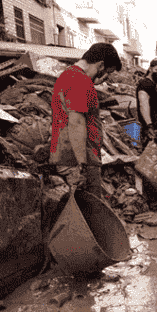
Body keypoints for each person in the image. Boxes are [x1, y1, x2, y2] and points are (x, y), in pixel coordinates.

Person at [50, 42, 122, 199]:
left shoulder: (70, 75)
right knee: (88, 210)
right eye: (107, 73)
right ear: (101, 65)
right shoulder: (78, 81)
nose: (105, 79)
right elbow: (76, 122)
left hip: (71, 156)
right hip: (79, 161)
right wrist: (81, 164)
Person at [136, 57, 157, 151]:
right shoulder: (145, 84)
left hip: (156, 131)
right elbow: (143, 104)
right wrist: (149, 126)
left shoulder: (152, 85)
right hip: (151, 132)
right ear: (150, 69)